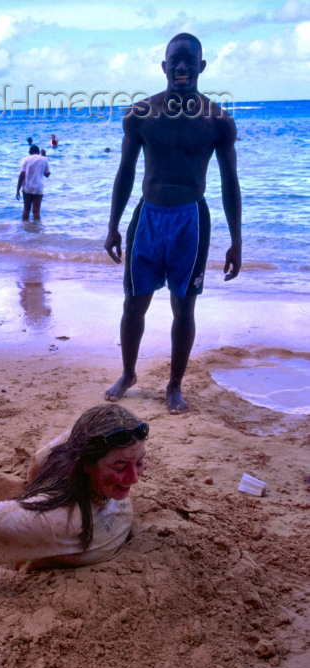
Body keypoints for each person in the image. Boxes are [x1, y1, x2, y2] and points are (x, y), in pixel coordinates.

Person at [104, 33, 242, 414]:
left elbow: (230, 182)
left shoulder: (218, 121)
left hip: (191, 222)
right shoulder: (140, 115)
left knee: (184, 308)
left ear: (201, 66)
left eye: (189, 61)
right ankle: (129, 373)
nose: (181, 68)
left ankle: (174, 385)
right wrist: (113, 225)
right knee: (134, 304)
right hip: (148, 217)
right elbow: (125, 172)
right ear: (165, 67)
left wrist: (236, 241)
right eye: (174, 62)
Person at [0, 404, 149, 594]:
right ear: (87, 464)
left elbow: (41, 457)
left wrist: (32, 486)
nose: (134, 478)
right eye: (120, 468)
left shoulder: (99, 450)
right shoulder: (60, 518)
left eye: (139, 462)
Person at [16, 144, 50, 221]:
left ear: (30, 152)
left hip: (27, 187)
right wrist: (44, 156)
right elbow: (47, 174)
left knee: (26, 210)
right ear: (38, 152)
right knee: (36, 212)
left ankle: (24, 229)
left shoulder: (25, 159)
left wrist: (18, 190)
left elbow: (22, 174)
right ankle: (37, 230)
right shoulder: (44, 159)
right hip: (39, 188)